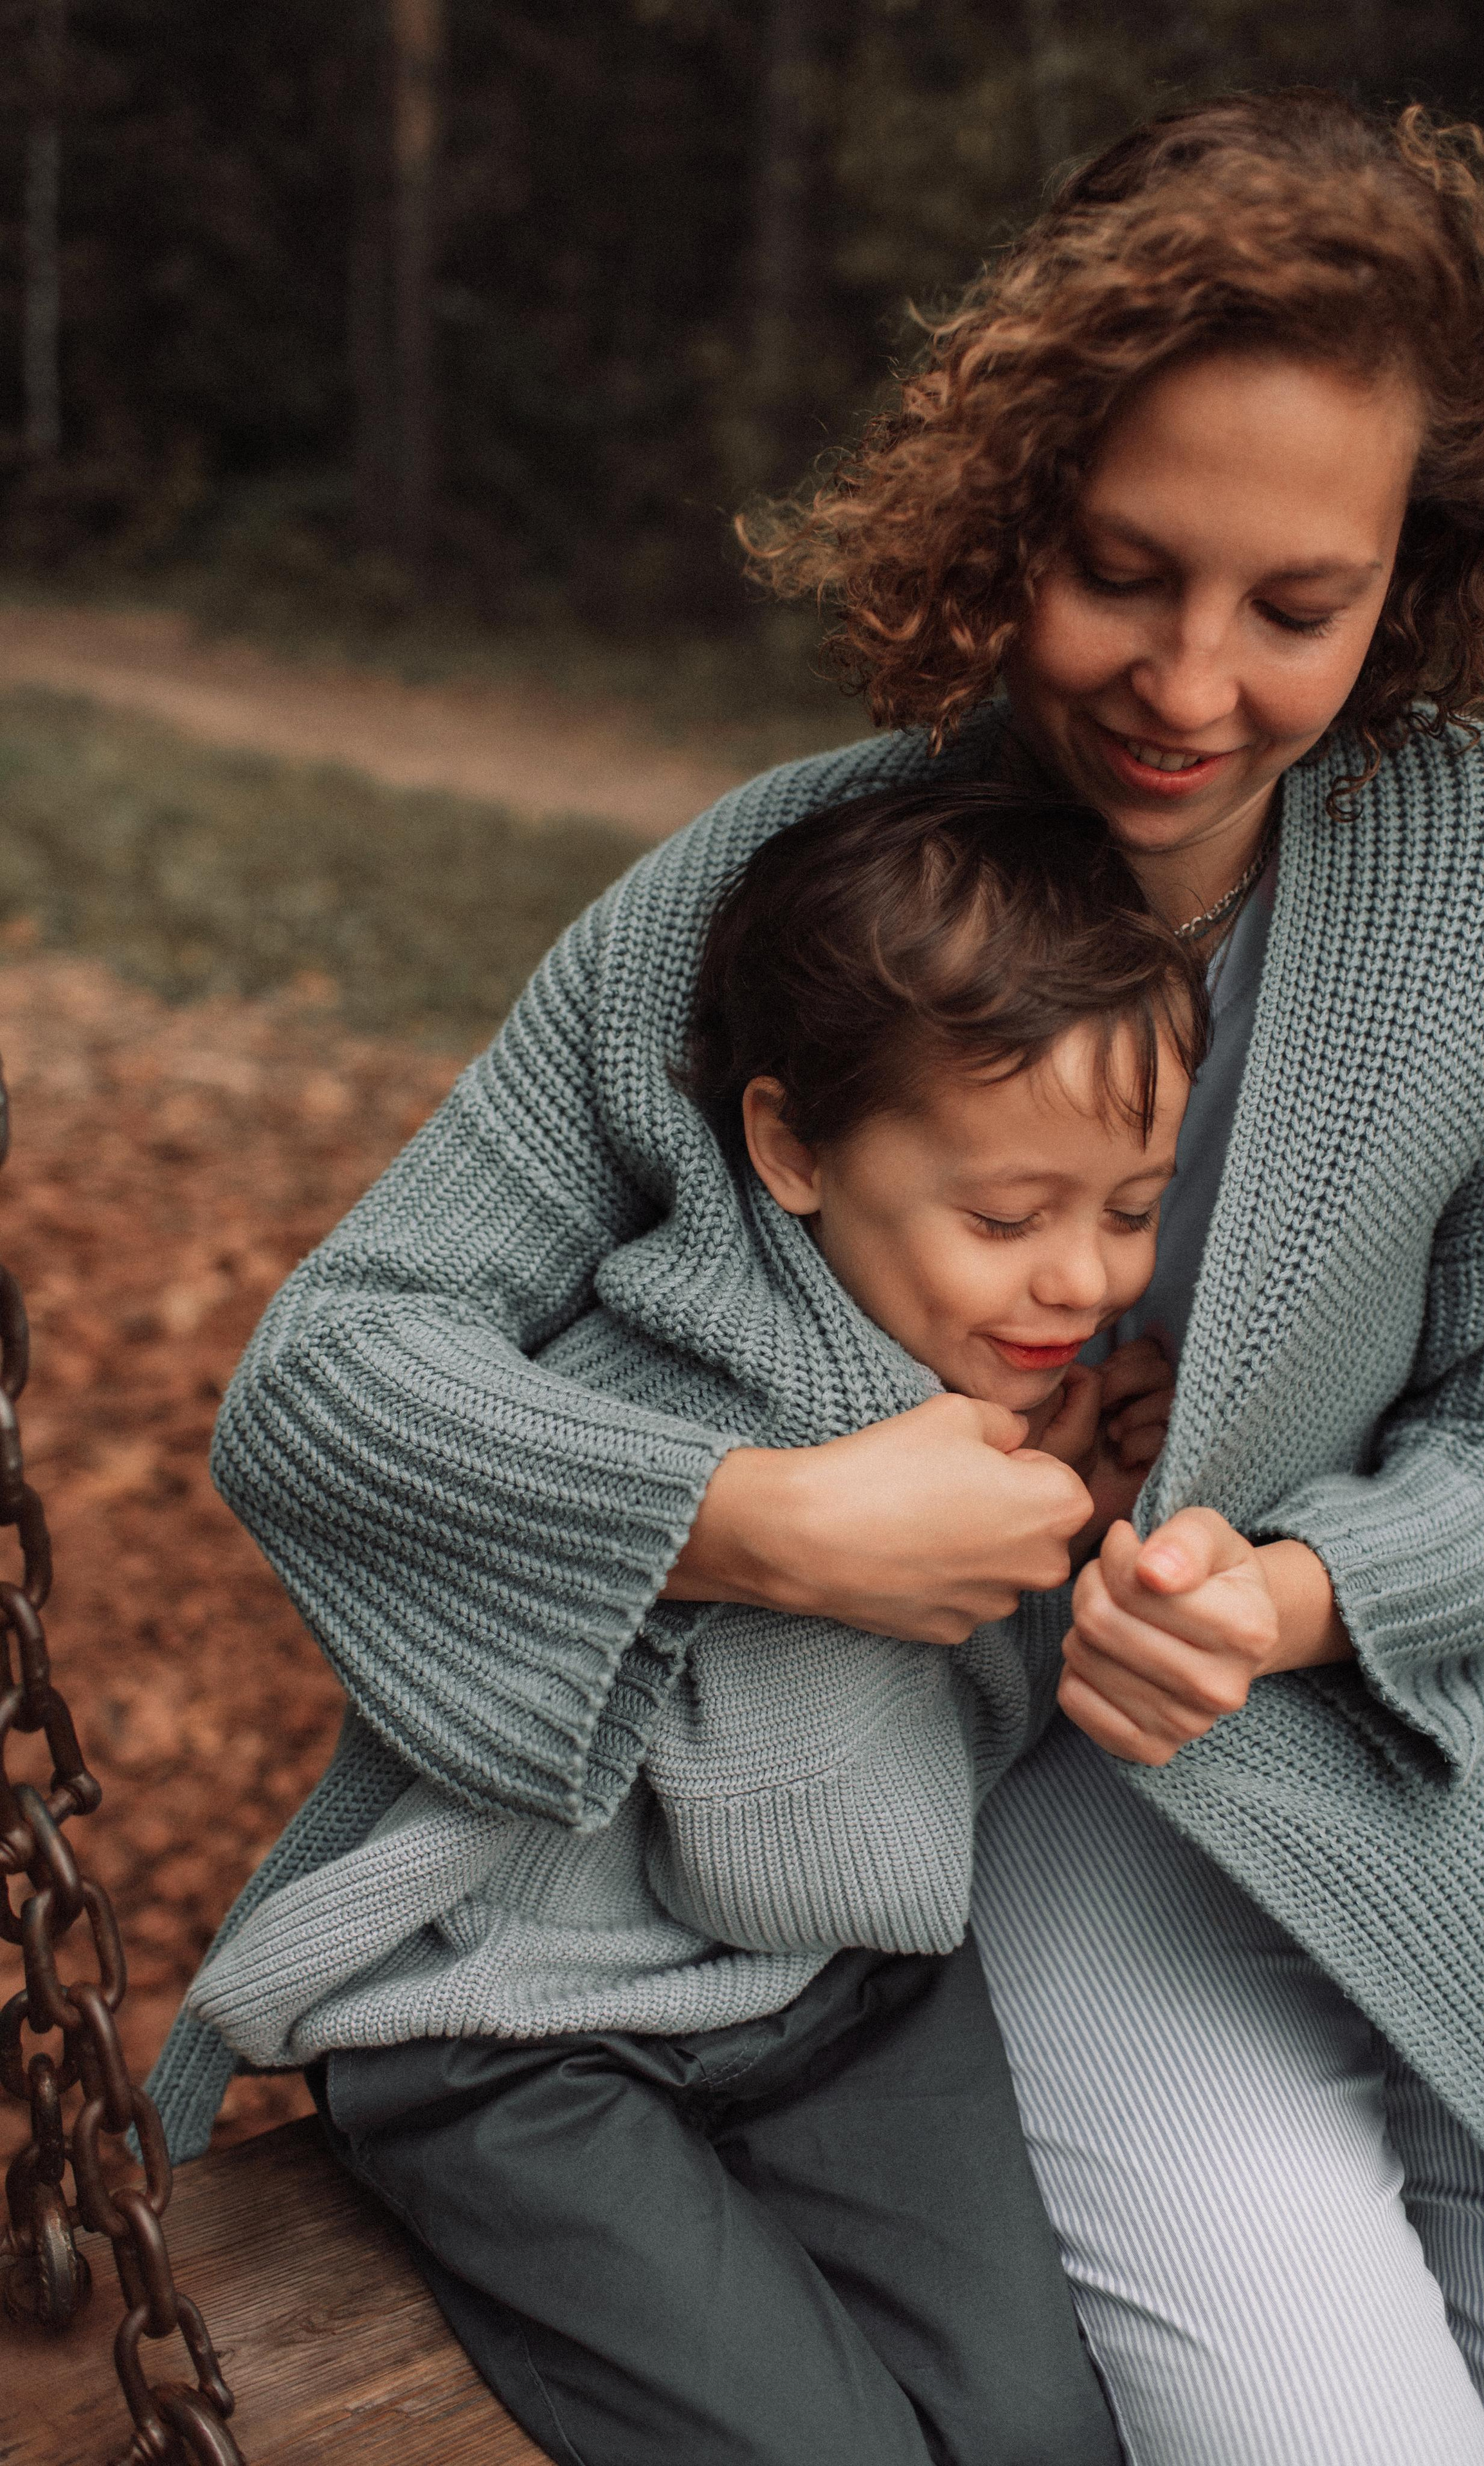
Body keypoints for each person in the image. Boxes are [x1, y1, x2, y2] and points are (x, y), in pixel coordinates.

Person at [152, 87, 1484, 2465]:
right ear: (1009, 499)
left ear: (1417, 570)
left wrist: (1297, 1587)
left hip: (1479, 1780)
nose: (1189, 680)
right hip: (1029, 1856)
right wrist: (761, 1516)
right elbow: (336, 1369)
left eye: (1300, 606)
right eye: (1124, 566)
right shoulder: (793, 905)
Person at [178, 781, 1206, 2465]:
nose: (1083, 1281)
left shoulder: (955, 1389)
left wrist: (1062, 1509)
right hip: (519, 2028)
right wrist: (939, 1533)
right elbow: (803, 1839)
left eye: (1130, 1205)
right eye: (1010, 1218)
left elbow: (905, 1769)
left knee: (1046, 2432)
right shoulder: (685, 1381)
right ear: (792, 1148)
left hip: (822, 1998)